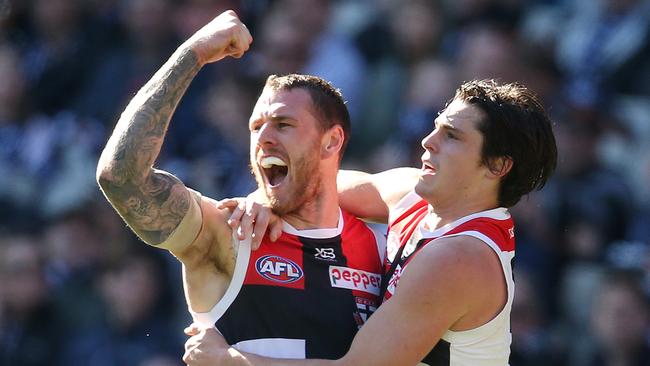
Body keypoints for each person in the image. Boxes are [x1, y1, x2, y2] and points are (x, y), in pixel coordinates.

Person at [183, 79, 558, 365]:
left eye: (453, 136)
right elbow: (318, 183)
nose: (428, 141)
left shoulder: (460, 258)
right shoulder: (418, 193)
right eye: (437, 127)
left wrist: (227, 360)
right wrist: (264, 202)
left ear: (497, 166)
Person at [96, 10, 385, 361]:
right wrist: (194, 53)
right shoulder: (231, 233)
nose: (263, 137)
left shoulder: (382, 245)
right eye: (255, 126)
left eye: (282, 124)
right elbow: (122, 178)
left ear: (331, 141)